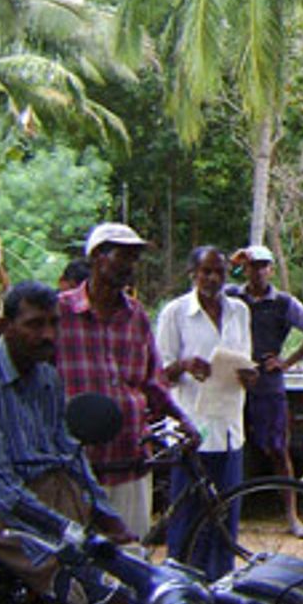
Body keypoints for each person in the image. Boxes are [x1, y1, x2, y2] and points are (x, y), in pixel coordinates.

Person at [0, 280, 134, 604]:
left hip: (50, 492)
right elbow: (1, 488)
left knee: (134, 579)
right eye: (34, 324)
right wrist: (65, 530)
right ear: (8, 327)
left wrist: (106, 513)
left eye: (53, 323)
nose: (47, 334)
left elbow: (68, 451)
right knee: (93, 597)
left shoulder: (46, 377)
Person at [56, 223, 197, 540]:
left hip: (129, 460)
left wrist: (182, 419)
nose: (130, 266)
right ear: (97, 258)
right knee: (73, 565)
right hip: (73, 466)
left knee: (130, 555)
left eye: (134, 259)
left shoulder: (135, 314)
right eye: (123, 256)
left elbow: (154, 381)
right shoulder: (60, 311)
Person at [156, 247, 256, 579]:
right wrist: (184, 365)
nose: (213, 279)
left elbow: (245, 360)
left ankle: (221, 590)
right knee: (187, 518)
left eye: (219, 272)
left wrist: (248, 375)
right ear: (192, 275)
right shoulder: (176, 313)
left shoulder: (239, 311)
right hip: (192, 431)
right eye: (206, 272)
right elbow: (158, 374)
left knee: (225, 517)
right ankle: (183, 588)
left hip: (229, 426)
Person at [226, 245, 303, 538]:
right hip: (233, 380)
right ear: (244, 268)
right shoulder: (232, 297)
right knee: (227, 445)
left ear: (271, 269)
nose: (257, 271)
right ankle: (225, 512)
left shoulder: (283, 303)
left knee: (278, 450)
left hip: (267, 383)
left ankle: (292, 517)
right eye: (252, 266)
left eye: (263, 266)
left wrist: (286, 362)